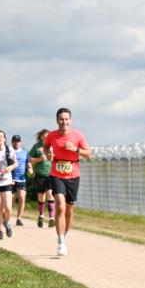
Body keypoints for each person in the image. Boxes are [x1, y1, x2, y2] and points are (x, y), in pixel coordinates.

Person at [44, 108, 91, 255]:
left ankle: (64, 236)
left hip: (73, 174)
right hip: (56, 173)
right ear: (57, 120)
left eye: (66, 119)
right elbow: (46, 146)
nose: (64, 122)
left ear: (70, 120)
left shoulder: (78, 135)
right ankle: (60, 241)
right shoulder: (51, 135)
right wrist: (48, 154)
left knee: (69, 211)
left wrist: (75, 149)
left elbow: (89, 154)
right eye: (61, 119)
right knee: (60, 206)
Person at [28, 129, 55, 228]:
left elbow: (57, 158)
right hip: (40, 174)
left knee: (50, 195)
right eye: (44, 136)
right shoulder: (36, 147)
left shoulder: (52, 145)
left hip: (51, 174)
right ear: (40, 137)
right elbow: (29, 159)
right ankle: (41, 216)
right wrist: (40, 159)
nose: (46, 138)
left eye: (47, 136)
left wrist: (53, 157)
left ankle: (52, 218)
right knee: (41, 197)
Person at [10, 134, 30, 226]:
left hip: (21, 179)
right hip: (10, 179)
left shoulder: (25, 152)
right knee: (11, 199)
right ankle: (7, 216)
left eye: (18, 141)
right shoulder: (9, 151)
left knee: (22, 197)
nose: (16, 143)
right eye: (14, 141)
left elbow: (28, 164)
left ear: (20, 142)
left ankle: (19, 218)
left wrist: (30, 169)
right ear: (12, 142)